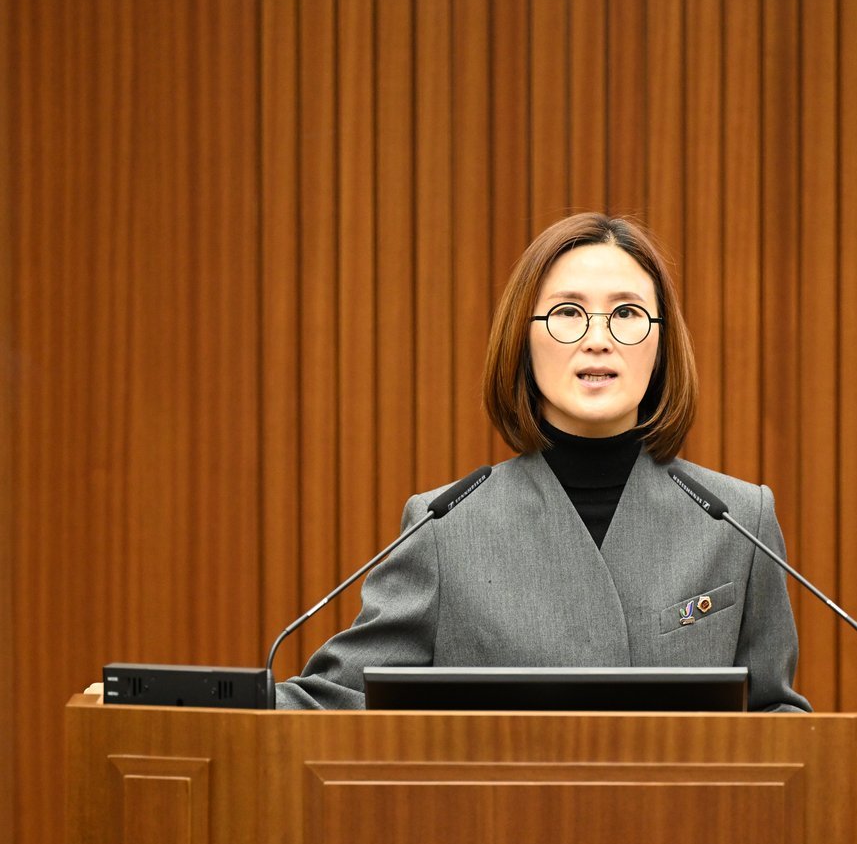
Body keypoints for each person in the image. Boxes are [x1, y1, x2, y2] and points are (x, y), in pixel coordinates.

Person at [275, 213, 812, 712]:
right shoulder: (446, 528)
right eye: (567, 313)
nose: (597, 340)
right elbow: (334, 702)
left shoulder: (738, 520)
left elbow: (776, 718)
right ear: (523, 339)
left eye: (626, 314)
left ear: (661, 342)